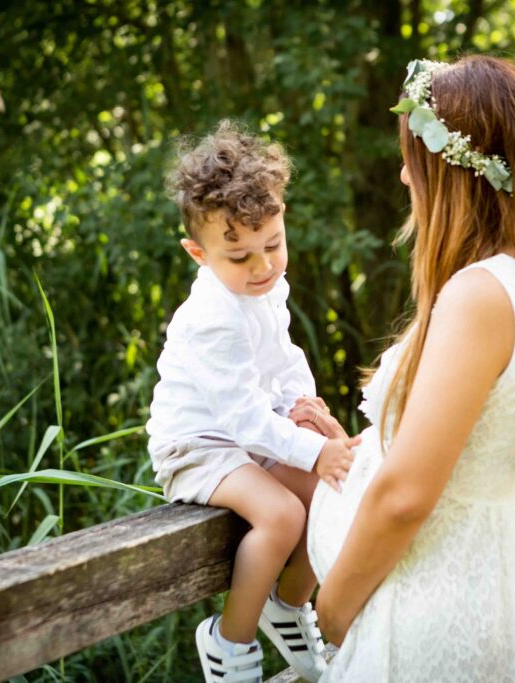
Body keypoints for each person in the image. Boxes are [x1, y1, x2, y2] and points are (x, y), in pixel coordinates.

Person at [295, 55, 515, 681]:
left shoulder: (480, 295)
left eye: (415, 158)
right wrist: (363, 451)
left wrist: (330, 610)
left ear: (454, 171)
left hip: (441, 603)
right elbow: (473, 443)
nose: (405, 177)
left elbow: (408, 497)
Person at [145, 121, 360, 683]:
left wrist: (308, 411)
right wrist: (309, 450)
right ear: (198, 252)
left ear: (283, 219)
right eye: (239, 257)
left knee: (327, 493)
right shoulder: (214, 317)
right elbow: (239, 419)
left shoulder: (266, 287)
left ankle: (286, 607)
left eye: (273, 245)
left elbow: (283, 358)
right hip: (200, 447)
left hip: (249, 434)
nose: (262, 266)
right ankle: (230, 643)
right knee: (283, 513)